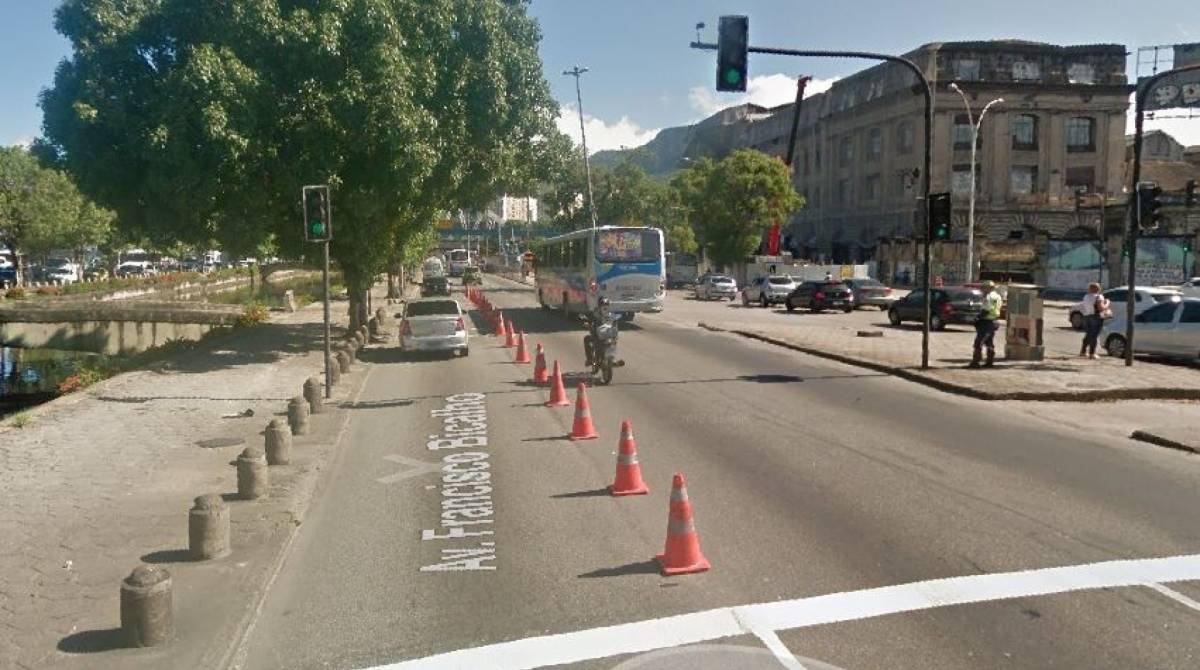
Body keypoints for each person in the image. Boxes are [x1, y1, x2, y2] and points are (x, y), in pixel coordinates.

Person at [970, 280, 1003, 368]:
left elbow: (986, 309)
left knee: (978, 342)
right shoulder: (998, 296)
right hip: (994, 321)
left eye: (983, 288)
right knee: (989, 342)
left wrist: (978, 318)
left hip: (987, 321)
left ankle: (975, 362)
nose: (982, 290)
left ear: (988, 288)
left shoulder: (989, 297)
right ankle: (989, 362)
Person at [1076, 283, 1109, 359]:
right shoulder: (1099, 296)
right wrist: (1107, 303)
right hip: (1096, 317)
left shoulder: (1086, 296)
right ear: (1097, 289)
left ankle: (1083, 351)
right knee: (1094, 335)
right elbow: (1101, 308)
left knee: (1088, 334)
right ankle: (1092, 353)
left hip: (1086, 317)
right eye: (1099, 288)